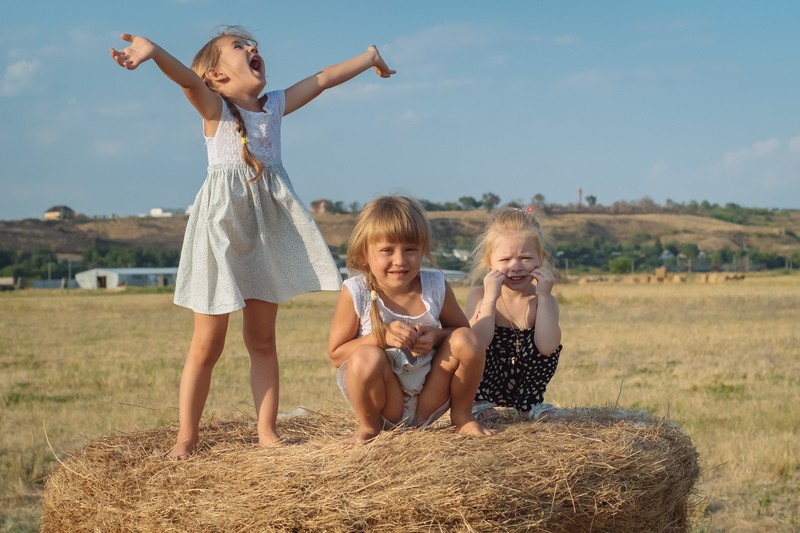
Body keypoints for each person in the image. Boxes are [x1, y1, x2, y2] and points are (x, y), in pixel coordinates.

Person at [110, 27, 395, 459]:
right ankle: (186, 438)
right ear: (216, 74)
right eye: (239, 48)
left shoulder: (274, 106)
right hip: (221, 234)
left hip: (264, 234)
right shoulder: (214, 107)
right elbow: (187, 80)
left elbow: (322, 79)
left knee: (262, 340)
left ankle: (267, 432)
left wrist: (369, 57)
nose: (253, 50)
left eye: (253, 46)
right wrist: (152, 53)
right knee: (207, 344)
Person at [328, 196, 497, 443]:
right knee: (366, 356)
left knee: (466, 339)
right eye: (387, 250)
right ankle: (369, 428)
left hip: (430, 397)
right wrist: (380, 338)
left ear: (423, 250)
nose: (399, 260)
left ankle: (462, 416)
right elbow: (336, 355)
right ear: (364, 254)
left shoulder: (435, 285)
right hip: (386, 404)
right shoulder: (357, 291)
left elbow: (463, 333)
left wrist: (437, 336)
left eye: (410, 250)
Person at [465, 207, 562, 421]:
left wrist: (545, 297)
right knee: (466, 340)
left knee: (548, 342)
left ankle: (529, 405)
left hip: (526, 384)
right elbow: (477, 343)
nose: (516, 266)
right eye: (505, 259)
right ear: (489, 262)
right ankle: (478, 402)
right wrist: (490, 299)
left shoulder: (544, 300)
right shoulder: (480, 296)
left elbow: (547, 347)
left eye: (526, 257)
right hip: (485, 381)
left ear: (541, 259)